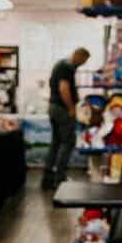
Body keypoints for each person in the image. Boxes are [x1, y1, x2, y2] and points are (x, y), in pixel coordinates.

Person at [41, 46, 90, 191]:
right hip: (62, 109)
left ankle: (48, 177)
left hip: (54, 108)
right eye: (83, 61)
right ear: (78, 56)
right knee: (68, 142)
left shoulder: (62, 65)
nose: (83, 64)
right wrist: (71, 108)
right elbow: (64, 88)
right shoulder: (66, 67)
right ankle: (59, 178)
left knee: (56, 143)